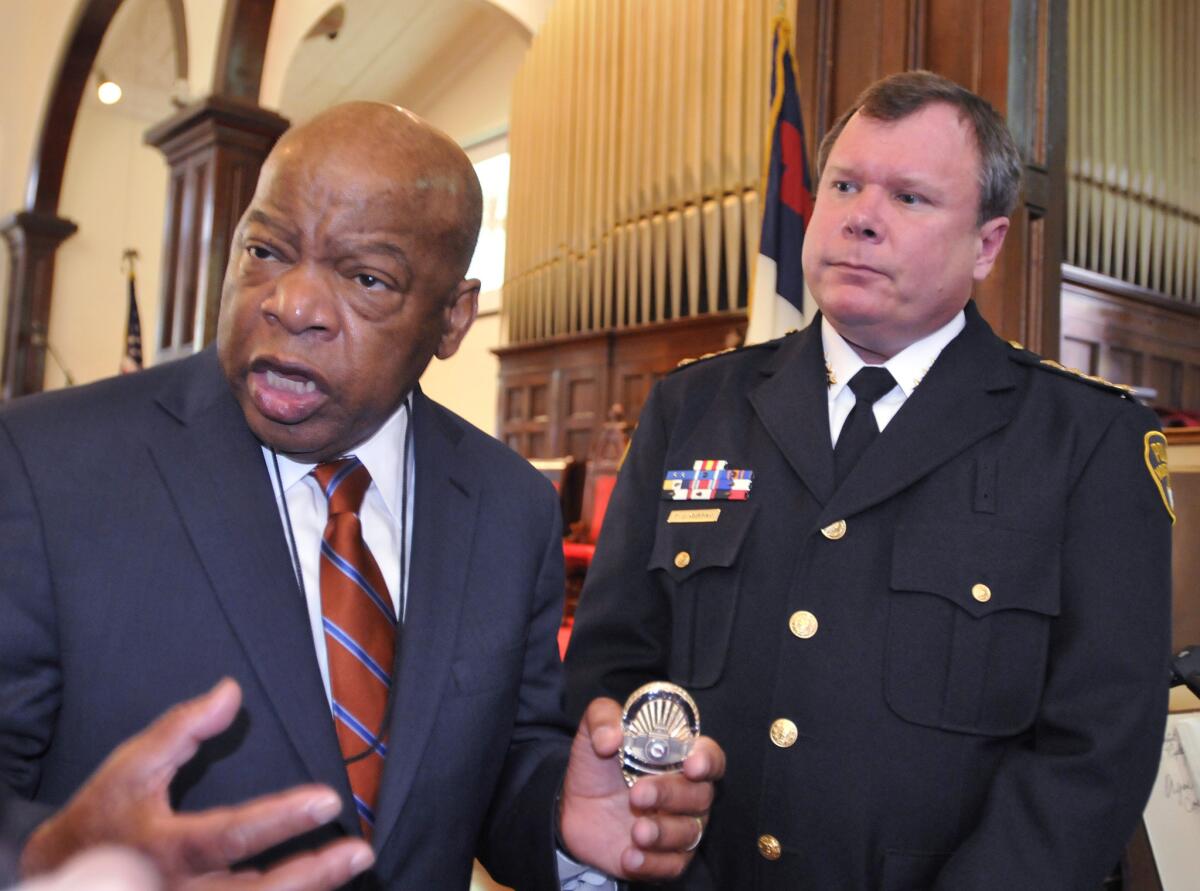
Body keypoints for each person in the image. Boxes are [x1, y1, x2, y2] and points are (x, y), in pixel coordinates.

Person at [0, 102, 723, 890]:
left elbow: (501, 761)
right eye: (267, 250)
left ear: (452, 319)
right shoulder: (46, 465)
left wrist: (560, 815)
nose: (292, 304)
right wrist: (46, 859)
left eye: (366, 277)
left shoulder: (508, 505)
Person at [564, 70, 1173, 889]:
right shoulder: (694, 405)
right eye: (844, 185)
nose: (860, 218)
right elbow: (612, 668)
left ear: (988, 244)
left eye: (910, 198)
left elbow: (1095, 747)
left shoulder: (1087, 438)